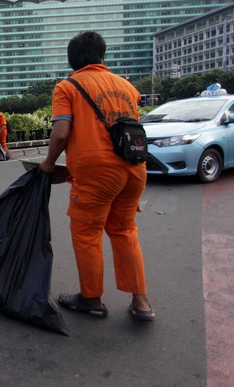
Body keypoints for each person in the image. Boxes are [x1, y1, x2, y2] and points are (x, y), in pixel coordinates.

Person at [39, 31, 155, 322]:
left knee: (88, 233)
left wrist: (49, 163)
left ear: (72, 59)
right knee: (125, 230)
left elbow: (61, 133)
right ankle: (140, 302)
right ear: (102, 55)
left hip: (97, 173)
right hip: (134, 168)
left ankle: (91, 298)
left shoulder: (68, 86)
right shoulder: (127, 87)